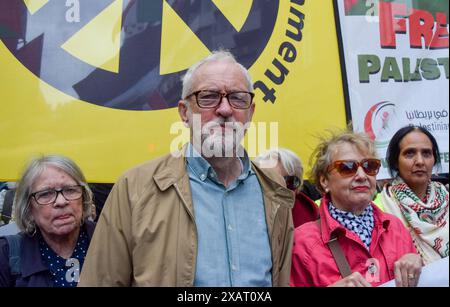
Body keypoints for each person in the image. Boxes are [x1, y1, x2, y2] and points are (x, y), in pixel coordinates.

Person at [79, 50, 294, 286]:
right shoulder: (135, 189)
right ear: (184, 112)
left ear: (251, 112)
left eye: (238, 98)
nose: (224, 110)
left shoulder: (273, 189)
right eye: (209, 97)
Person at [290, 130, 422, 287]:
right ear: (324, 180)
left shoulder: (395, 228)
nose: (361, 175)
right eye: (347, 167)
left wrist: (417, 263)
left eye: (370, 166)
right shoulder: (302, 242)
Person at [0, 155, 95, 287]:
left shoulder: (111, 241)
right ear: (29, 208)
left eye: (70, 190)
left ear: (84, 198)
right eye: (45, 194)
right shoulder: (5, 254)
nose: (61, 202)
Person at [381, 126, 449, 265]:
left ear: (434, 160)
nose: (420, 161)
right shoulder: (381, 207)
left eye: (426, 153)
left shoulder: (446, 198)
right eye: (410, 153)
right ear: (395, 162)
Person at [255, 148, 319, 228]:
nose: (280, 189)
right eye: (269, 182)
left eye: (290, 182)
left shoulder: (317, 222)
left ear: (298, 187)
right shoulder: (240, 216)